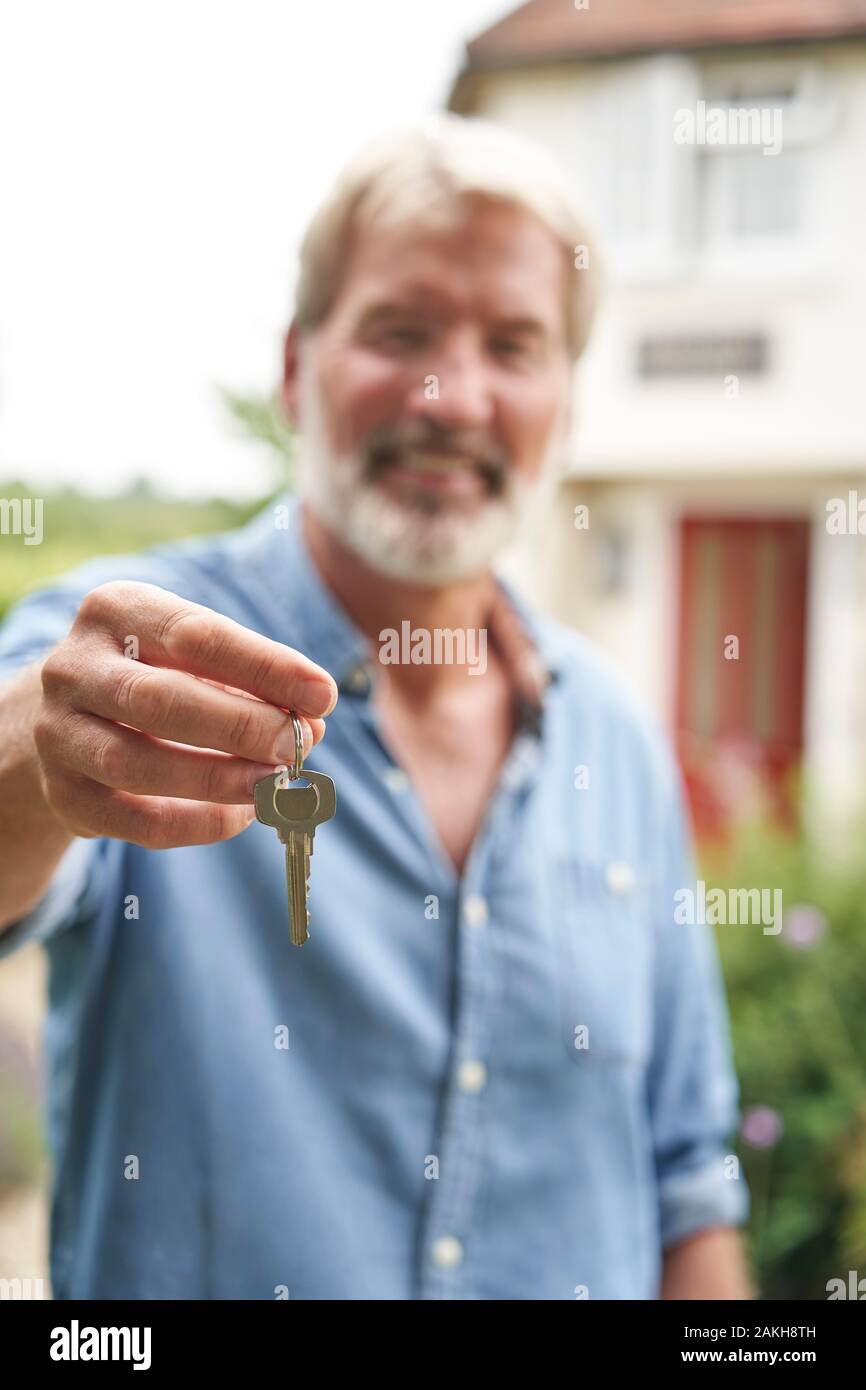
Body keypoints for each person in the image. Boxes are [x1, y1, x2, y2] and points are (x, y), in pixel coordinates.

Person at [0, 115, 751, 1300]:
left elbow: (684, 1180)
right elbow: (28, 770)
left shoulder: (613, 733)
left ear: (564, 399)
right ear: (297, 368)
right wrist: (37, 755)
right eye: (400, 331)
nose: (450, 397)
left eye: (513, 344)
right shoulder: (142, 655)